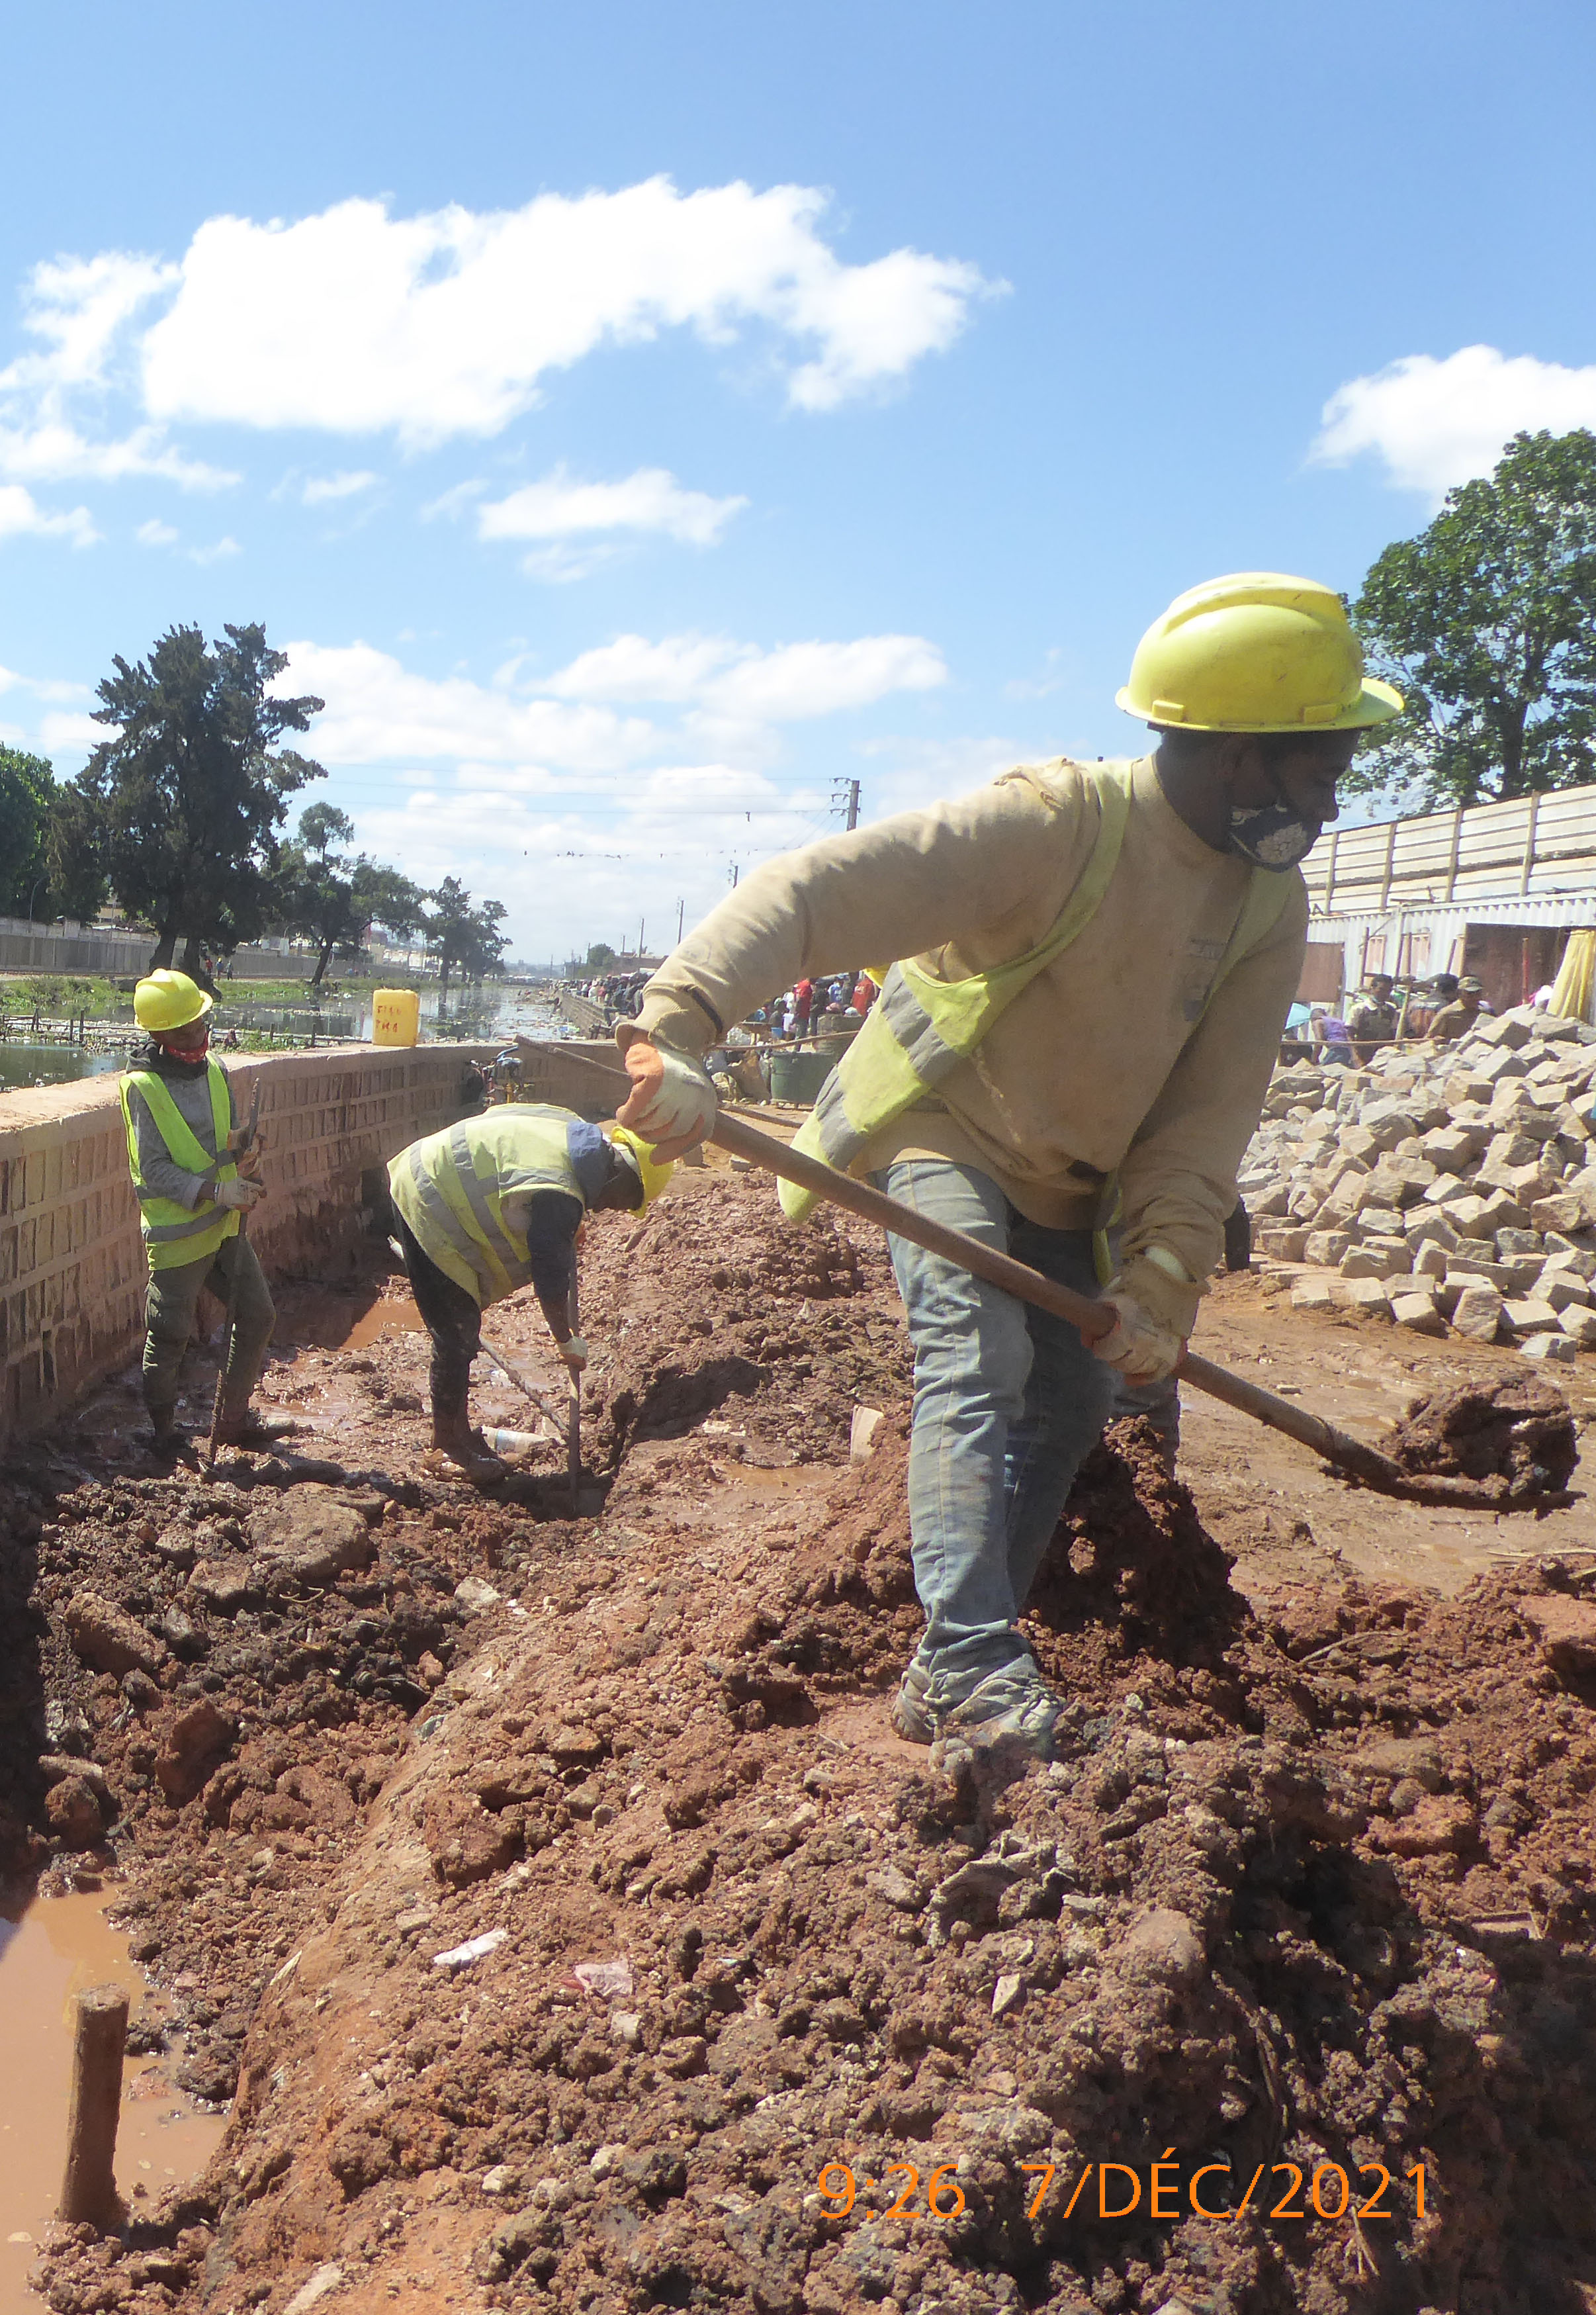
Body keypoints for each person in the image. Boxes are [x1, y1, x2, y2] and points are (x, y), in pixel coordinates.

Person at [615, 571, 1400, 1784]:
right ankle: (978, 1655)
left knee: (1078, 1401)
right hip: (946, 1128)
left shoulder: (1264, 906)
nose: (1334, 792)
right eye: (1320, 765)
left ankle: (947, 1668)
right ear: (1243, 758)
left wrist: (1162, 1281)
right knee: (975, 1355)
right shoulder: (1057, 823)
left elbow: (1203, 1123)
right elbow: (819, 894)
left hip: (1073, 1183)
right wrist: (681, 1024)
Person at [382, 1106, 672, 1480]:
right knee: (455, 1332)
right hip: (427, 1195)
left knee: (462, 1326)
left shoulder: (573, 1132)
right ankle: (446, 1445)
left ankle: (460, 1433)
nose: (611, 1209)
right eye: (624, 1199)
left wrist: (566, 1224)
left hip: (432, 1171)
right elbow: (549, 1277)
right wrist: (566, 1341)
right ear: (618, 1173)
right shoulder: (561, 1191)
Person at [123, 968, 274, 1460]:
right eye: (186, 1031)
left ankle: (231, 1419)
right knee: (169, 1335)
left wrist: (246, 1157)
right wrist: (215, 1191)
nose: (198, 1037)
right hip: (180, 1234)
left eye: (201, 1024)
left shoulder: (215, 1070)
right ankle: (163, 1436)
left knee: (257, 1315)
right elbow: (153, 1171)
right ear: (159, 1034)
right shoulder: (143, 1087)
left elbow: (225, 1139)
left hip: (224, 1226)